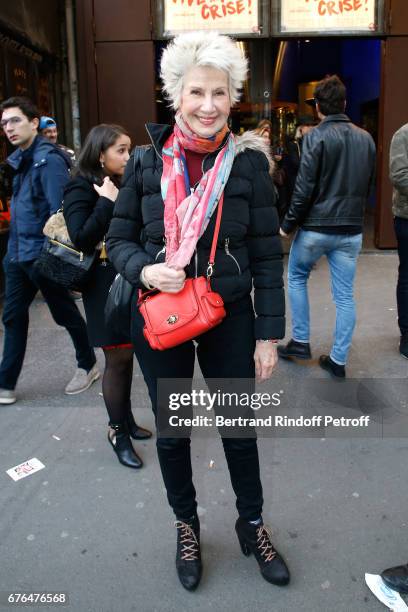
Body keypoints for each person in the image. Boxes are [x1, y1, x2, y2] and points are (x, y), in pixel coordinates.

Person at [107, 31, 290, 591]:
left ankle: (251, 523)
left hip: (230, 316)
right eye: (196, 92)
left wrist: (268, 336)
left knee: (238, 427)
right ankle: (186, 525)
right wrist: (143, 268)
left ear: (232, 98)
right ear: (175, 95)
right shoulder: (143, 162)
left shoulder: (249, 166)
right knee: (174, 431)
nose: (208, 105)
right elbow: (118, 241)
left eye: (219, 93)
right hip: (163, 316)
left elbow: (265, 254)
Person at [63, 124, 152, 468]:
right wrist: (106, 201)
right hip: (100, 285)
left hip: (124, 279)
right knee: (116, 358)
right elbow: (81, 237)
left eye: (129, 149)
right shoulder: (80, 185)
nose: (128, 156)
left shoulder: (125, 183)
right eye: (121, 150)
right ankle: (118, 432)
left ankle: (126, 420)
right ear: (101, 154)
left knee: (126, 354)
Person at [0, 96, 99, 405]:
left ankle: (88, 364)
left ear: (34, 123)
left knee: (65, 313)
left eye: (15, 120)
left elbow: (62, 211)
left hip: (42, 256)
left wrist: (50, 255)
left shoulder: (49, 159)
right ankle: (6, 383)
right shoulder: (21, 159)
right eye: (4, 124)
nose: (9, 128)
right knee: (13, 317)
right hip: (18, 254)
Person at [278, 76, 376, 378]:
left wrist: (288, 225)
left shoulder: (315, 137)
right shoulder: (366, 138)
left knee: (295, 277)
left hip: (316, 228)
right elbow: (366, 184)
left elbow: (304, 187)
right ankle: (338, 360)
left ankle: (301, 341)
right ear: (344, 104)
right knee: (344, 296)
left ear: (318, 106)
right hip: (350, 230)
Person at [389, 123, 408, 359]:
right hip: (406, 217)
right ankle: (407, 333)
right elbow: (400, 176)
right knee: (407, 278)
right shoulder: (403, 134)